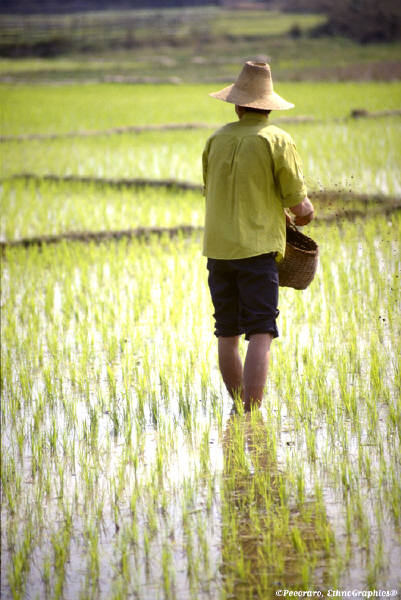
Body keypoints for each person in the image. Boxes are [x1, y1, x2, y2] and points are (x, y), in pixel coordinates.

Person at [202, 61, 314, 411]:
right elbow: (300, 206)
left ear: (237, 105)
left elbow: (213, 191)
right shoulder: (278, 140)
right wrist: (304, 215)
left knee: (227, 333)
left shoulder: (216, 140)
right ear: (268, 107)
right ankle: (251, 415)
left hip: (219, 252)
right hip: (257, 252)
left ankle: (240, 409)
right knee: (261, 332)